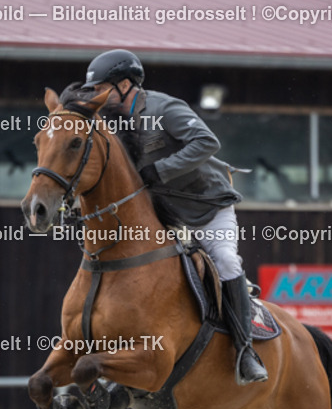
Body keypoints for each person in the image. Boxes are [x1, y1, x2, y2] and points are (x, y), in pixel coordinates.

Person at [83, 49, 268, 385]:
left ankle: (245, 352)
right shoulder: (109, 122)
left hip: (207, 208)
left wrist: (161, 170)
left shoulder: (163, 107)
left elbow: (206, 142)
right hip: (166, 217)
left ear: (125, 85)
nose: (97, 96)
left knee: (226, 261)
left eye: (102, 88)